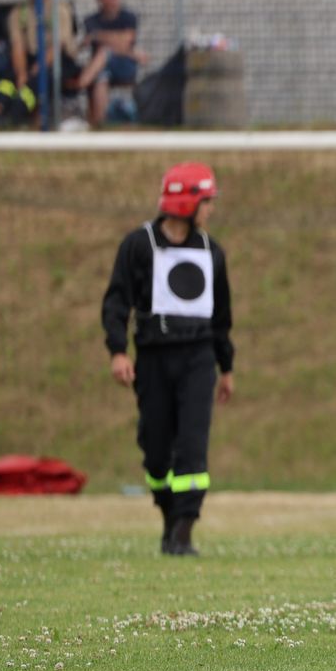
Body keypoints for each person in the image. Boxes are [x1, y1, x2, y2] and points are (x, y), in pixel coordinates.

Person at [100, 163, 236, 556]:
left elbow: (222, 317)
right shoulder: (138, 245)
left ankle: (184, 530)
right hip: (154, 359)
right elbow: (116, 301)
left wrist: (225, 367)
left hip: (198, 358)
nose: (210, 209)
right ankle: (167, 515)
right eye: (206, 201)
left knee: (192, 445)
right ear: (187, 201)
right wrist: (118, 351)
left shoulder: (213, 252)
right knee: (156, 447)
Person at [7, 0, 83, 114]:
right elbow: (17, 45)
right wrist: (21, 74)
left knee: (39, 80)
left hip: (59, 60)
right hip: (31, 57)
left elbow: (58, 46)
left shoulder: (59, 9)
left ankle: (18, 111)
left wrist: (36, 69)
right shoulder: (18, 12)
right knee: (7, 78)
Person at [82, 0, 146, 127]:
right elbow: (123, 43)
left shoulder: (129, 17)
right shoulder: (91, 20)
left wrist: (99, 36)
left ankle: (83, 80)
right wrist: (131, 51)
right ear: (100, 0)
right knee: (101, 78)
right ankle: (101, 124)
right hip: (101, 68)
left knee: (105, 52)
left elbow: (127, 40)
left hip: (124, 64)